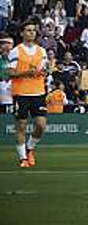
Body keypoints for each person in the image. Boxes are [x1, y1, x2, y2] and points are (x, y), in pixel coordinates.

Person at [9, 20, 49, 167]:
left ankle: (29, 148)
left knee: (41, 125)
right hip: (21, 92)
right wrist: (26, 72)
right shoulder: (16, 50)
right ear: (22, 33)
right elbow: (10, 73)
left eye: (33, 30)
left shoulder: (41, 51)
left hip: (38, 91)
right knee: (21, 125)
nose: (31, 33)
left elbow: (44, 68)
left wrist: (45, 71)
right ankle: (23, 158)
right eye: (28, 30)